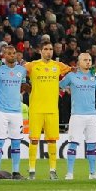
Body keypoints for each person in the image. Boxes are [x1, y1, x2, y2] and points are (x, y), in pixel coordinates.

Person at [0, 44, 29, 179]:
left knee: (16, 142)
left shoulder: (21, 70)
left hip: (16, 111)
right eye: (9, 53)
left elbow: (23, 85)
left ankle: (15, 172)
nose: (12, 55)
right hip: (2, 111)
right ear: (4, 55)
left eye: (14, 53)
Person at [25, 40, 70, 180]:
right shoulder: (32, 65)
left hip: (52, 109)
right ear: (40, 51)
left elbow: (75, 70)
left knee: (52, 141)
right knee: (33, 140)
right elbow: (15, 68)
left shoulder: (58, 66)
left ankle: (52, 170)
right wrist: (0, 64)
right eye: (46, 49)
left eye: (50, 49)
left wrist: (92, 69)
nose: (49, 51)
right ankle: (32, 170)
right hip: (36, 109)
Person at [60, 52, 96, 180]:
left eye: (90, 60)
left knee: (92, 144)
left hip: (92, 115)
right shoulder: (72, 75)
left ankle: (93, 173)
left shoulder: (94, 75)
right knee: (73, 143)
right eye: (85, 60)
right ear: (78, 62)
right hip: (77, 115)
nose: (88, 62)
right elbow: (60, 86)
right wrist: (65, 91)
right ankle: (69, 173)